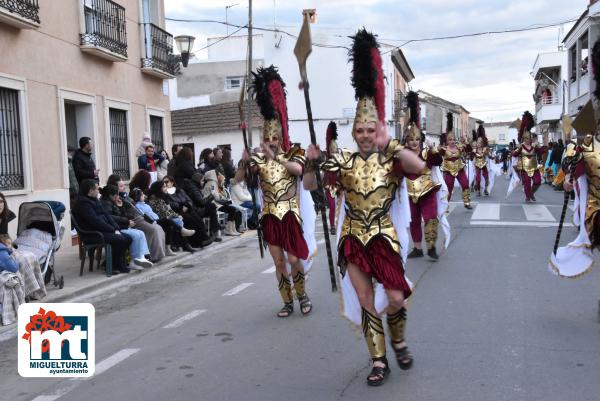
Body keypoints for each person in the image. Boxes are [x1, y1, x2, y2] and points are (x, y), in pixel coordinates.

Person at [304, 29, 425, 387]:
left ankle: (398, 339)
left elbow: (418, 169)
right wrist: (312, 164)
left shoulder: (392, 158)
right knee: (363, 299)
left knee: (395, 297)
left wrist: (392, 145)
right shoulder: (342, 161)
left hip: (384, 237)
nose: (364, 135)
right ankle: (378, 359)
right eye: (359, 129)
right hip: (353, 238)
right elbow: (311, 186)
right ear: (353, 131)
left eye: (370, 129)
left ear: (379, 130)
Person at [243, 64, 317, 319]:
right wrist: (244, 161)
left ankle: (303, 295)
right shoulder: (258, 159)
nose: (271, 141)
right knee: (278, 262)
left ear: (281, 136)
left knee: (295, 259)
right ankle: (287, 302)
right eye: (268, 138)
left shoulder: (293, 152)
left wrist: (276, 157)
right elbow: (239, 179)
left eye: (275, 138)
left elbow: (298, 170)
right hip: (269, 216)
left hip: (290, 215)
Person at [404, 99, 444, 260]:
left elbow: (438, 162)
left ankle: (432, 246)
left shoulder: (427, 153)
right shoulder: (403, 155)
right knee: (413, 221)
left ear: (420, 140)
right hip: (409, 192)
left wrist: (434, 149)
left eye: (417, 139)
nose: (414, 142)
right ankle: (418, 248)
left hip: (427, 190)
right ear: (407, 140)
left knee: (430, 218)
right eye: (411, 139)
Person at [73, 179, 132, 274]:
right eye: (96, 189)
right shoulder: (83, 204)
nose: (98, 191)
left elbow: (106, 215)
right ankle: (112, 266)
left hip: (102, 230)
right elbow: (95, 221)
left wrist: (115, 227)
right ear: (90, 191)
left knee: (128, 238)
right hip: (92, 234)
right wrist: (113, 230)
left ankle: (112, 263)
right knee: (120, 239)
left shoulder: (94, 200)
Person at [106, 175, 168, 263]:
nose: (124, 188)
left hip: (137, 217)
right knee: (153, 229)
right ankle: (151, 256)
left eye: (124, 185)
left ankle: (157, 254)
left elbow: (132, 206)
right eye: (121, 186)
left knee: (158, 228)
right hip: (132, 220)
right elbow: (117, 214)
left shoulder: (124, 196)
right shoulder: (113, 198)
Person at [99, 185, 153, 269]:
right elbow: (111, 218)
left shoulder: (113, 202)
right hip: (116, 228)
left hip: (121, 225)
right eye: (116, 195)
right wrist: (126, 222)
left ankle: (142, 257)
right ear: (110, 195)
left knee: (141, 233)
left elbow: (122, 215)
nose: (118, 196)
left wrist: (121, 207)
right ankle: (134, 260)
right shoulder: (106, 203)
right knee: (135, 235)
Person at [162, 176, 213, 247]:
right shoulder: (166, 194)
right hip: (178, 211)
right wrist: (181, 205)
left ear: (172, 182)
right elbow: (171, 204)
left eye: (167, 182)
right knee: (190, 219)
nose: (165, 184)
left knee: (197, 218)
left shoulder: (180, 190)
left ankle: (204, 238)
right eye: (164, 182)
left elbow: (189, 200)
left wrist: (187, 205)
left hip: (187, 209)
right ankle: (197, 242)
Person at [147, 181, 196, 253]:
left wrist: (177, 215)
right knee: (172, 223)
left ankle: (181, 244)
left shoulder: (162, 197)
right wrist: (175, 216)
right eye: (163, 187)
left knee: (181, 219)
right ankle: (183, 242)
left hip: (166, 218)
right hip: (159, 219)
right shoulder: (154, 199)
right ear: (158, 189)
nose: (166, 188)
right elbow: (162, 213)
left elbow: (169, 209)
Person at [513, 111, 546, 202]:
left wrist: (539, 146)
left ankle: (531, 193)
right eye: (526, 138)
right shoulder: (521, 146)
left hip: (534, 167)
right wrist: (517, 149)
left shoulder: (534, 145)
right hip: (524, 168)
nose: (528, 140)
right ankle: (528, 197)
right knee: (526, 184)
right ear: (523, 138)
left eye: (529, 138)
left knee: (538, 181)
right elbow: (514, 155)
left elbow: (542, 152)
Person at [438, 121, 472, 209]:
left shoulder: (459, 147)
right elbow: (437, 156)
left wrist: (467, 141)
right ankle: (445, 205)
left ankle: (466, 202)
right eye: (450, 139)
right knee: (448, 188)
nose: (452, 141)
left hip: (459, 169)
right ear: (447, 141)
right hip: (448, 171)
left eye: (453, 139)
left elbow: (469, 150)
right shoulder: (444, 149)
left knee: (465, 184)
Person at [203, 170, 243, 236]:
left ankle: (232, 229)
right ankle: (229, 229)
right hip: (214, 204)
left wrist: (220, 197)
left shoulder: (212, 183)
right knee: (232, 210)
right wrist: (221, 197)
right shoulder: (212, 183)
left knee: (233, 209)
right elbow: (216, 196)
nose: (218, 176)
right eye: (217, 175)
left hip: (215, 203)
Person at [324, 121, 339, 235]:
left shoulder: (340, 161)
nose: (333, 152)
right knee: (332, 206)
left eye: (335, 150)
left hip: (339, 185)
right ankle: (332, 225)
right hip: (330, 186)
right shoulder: (327, 161)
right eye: (332, 150)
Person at [472, 123, 491, 197]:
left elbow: (489, 155)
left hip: (484, 164)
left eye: (480, 142)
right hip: (477, 165)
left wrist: (492, 157)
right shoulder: (474, 150)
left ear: (482, 143)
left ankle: (486, 189)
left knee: (486, 177)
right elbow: (470, 155)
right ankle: (478, 191)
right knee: (478, 178)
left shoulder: (485, 149)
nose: (478, 143)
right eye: (478, 142)